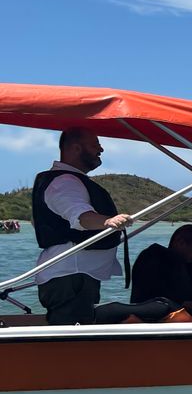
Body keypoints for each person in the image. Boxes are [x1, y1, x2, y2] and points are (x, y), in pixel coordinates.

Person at [30, 128, 131, 325]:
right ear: (76, 148)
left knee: (80, 331)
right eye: (95, 145)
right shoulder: (64, 182)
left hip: (77, 275)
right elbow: (80, 216)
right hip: (70, 276)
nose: (101, 149)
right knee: (71, 338)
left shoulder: (70, 180)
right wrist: (108, 222)